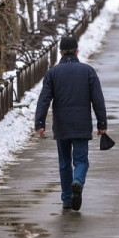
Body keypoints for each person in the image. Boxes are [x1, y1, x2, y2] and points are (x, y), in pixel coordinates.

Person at [35, 36, 108, 211]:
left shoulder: (52, 73)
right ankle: (78, 181)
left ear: (60, 52)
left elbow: (44, 100)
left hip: (62, 126)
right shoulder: (88, 71)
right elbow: (98, 100)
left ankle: (67, 199)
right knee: (81, 161)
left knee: (64, 163)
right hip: (82, 125)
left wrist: (40, 122)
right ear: (77, 51)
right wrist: (102, 123)